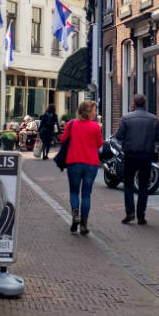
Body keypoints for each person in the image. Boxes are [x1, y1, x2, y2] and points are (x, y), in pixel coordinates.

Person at [115, 93, 159, 225]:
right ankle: (141, 215)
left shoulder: (126, 118)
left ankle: (130, 212)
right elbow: (158, 138)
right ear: (145, 105)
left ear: (133, 104)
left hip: (130, 156)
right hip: (146, 157)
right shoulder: (154, 119)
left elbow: (119, 136)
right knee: (143, 186)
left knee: (129, 184)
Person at [59, 100, 103, 235]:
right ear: (89, 111)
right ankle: (84, 224)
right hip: (91, 164)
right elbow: (99, 144)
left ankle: (75, 215)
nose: (95, 113)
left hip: (74, 162)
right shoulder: (96, 127)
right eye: (94, 110)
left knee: (74, 192)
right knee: (86, 194)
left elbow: (62, 140)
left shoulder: (71, 124)